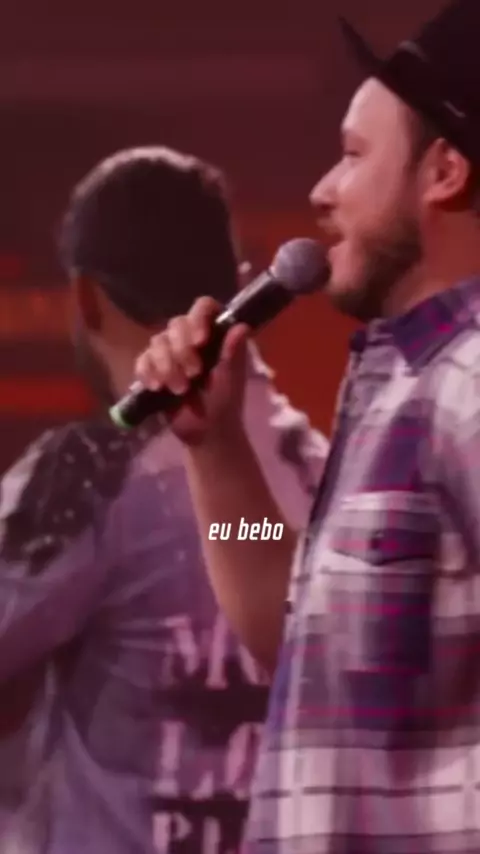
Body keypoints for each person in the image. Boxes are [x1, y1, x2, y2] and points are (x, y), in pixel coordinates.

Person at [133, 0, 480, 851]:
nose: (323, 190)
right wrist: (217, 449)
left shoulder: (470, 387)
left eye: (354, 155)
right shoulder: (399, 386)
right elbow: (295, 628)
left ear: (444, 171)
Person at [0, 146, 326, 853]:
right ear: (239, 282)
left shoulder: (91, 476)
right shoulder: (319, 471)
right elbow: (252, 543)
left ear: (85, 297)